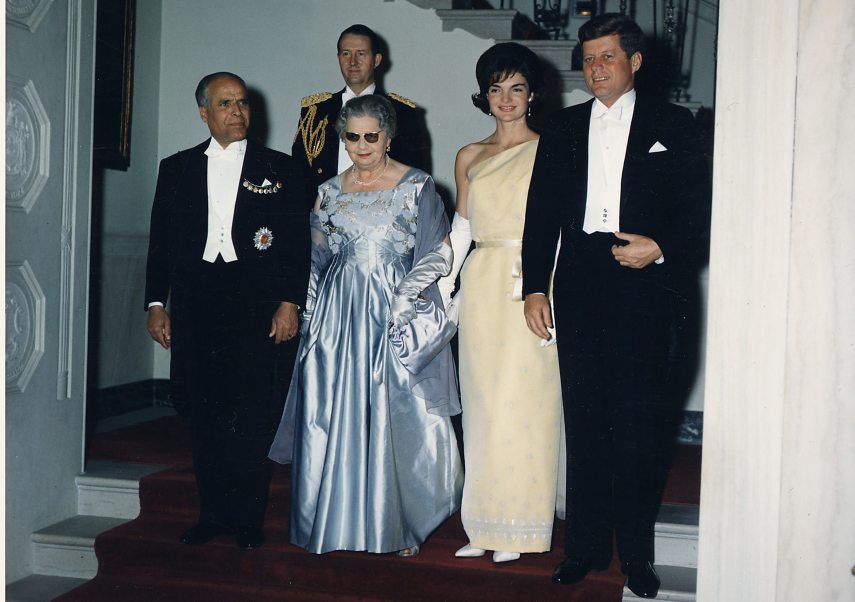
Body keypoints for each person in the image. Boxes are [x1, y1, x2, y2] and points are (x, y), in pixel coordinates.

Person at [521, 14, 710, 599]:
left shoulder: (677, 125)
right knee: (584, 421)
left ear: (635, 61)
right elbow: (541, 214)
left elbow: (703, 213)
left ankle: (638, 558)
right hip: (579, 283)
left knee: (639, 428)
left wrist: (661, 248)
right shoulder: (561, 127)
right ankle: (583, 549)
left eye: (608, 57)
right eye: (589, 58)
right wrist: (533, 286)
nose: (596, 68)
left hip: (647, 287)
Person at [269, 94, 462, 556]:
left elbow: (438, 252)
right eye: (351, 137)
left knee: (394, 411)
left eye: (370, 136)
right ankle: (328, 523)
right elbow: (315, 259)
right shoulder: (329, 191)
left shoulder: (417, 186)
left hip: (392, 309)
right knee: (329, 411)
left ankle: (396, 523)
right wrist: (311, 316)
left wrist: (403, 301)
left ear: (389, 136)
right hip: (336, 316)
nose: (361, 145)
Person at [145, 72, 309, 550]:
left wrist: (288, 302)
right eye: (224, 104)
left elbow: (295, 245)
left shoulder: (279, 167)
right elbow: (162, 242)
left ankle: (246, 519)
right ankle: (212, 514)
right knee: (204, 411)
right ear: (204, 113)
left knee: (251, 413)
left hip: (254, 304)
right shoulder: (176, 168)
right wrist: (157, 304)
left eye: (242, 103)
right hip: (196, 304)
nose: (236, 112)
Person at [437, 43, 563, 564]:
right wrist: (439, 288)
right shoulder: (469, 154)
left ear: (532, 94)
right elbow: (461, 230)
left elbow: (557, 228)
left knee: (527, 405)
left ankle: (520, 527)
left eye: (516, 89)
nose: (505, 99)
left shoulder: (554, 147)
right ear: (483, 95)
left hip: (533, 282)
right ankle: (484, 524)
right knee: (485, 405)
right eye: (496, 89)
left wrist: (550, 287)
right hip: (483, 281)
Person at [291, 24, 429, 206]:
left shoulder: (402, 112)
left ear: (377, 60)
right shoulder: (315, 111)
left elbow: (414, 178)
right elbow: (297, 174)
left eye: (361, 54)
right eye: (346, 54)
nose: (353, 62)